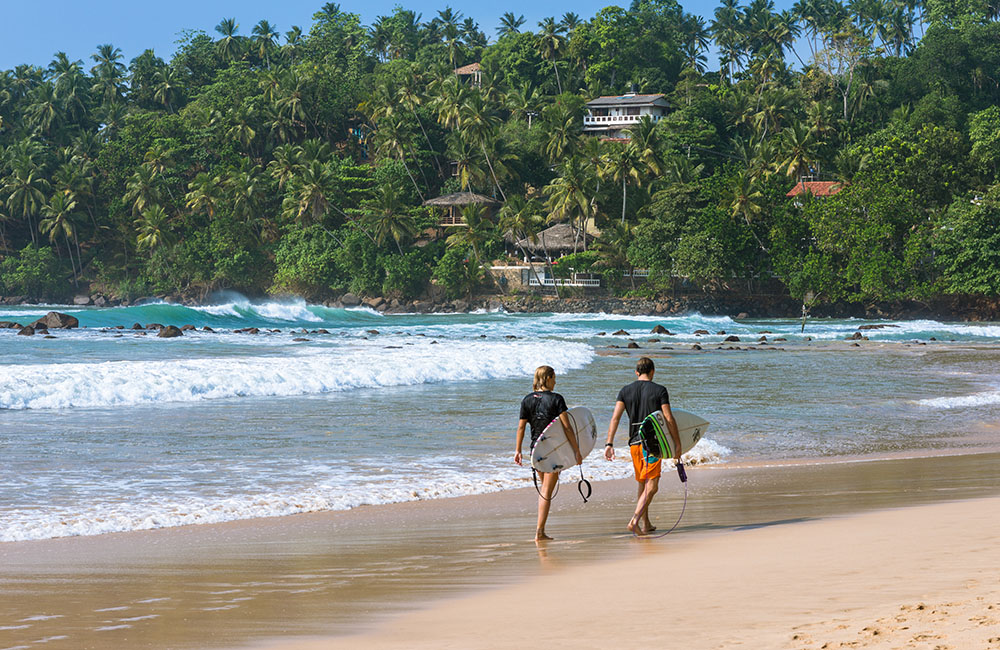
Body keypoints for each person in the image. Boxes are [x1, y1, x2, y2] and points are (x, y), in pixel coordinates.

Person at [604, 356, 681, 536]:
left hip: (634, 444)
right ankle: (634, 520)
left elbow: (615, 418)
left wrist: (609, 443)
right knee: (652, 486)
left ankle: (646, 524)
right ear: (652, 372)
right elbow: (668, 418)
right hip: (652, 446)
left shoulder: (625, 391)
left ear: (636, 372)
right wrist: (677, 444)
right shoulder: (660, 390)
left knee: (642, 483)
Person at [514, 365, 582, 541]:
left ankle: (541, 529)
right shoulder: (556, 399)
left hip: (536, 450)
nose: (556, 381)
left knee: (546, 490)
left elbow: (521, 427)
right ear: (548, 378)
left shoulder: (527, 399)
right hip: (553, 451)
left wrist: (518, 450)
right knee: (546, 492)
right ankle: (539, 531)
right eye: (554, 377)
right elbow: (567, 427)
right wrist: (576, 450)